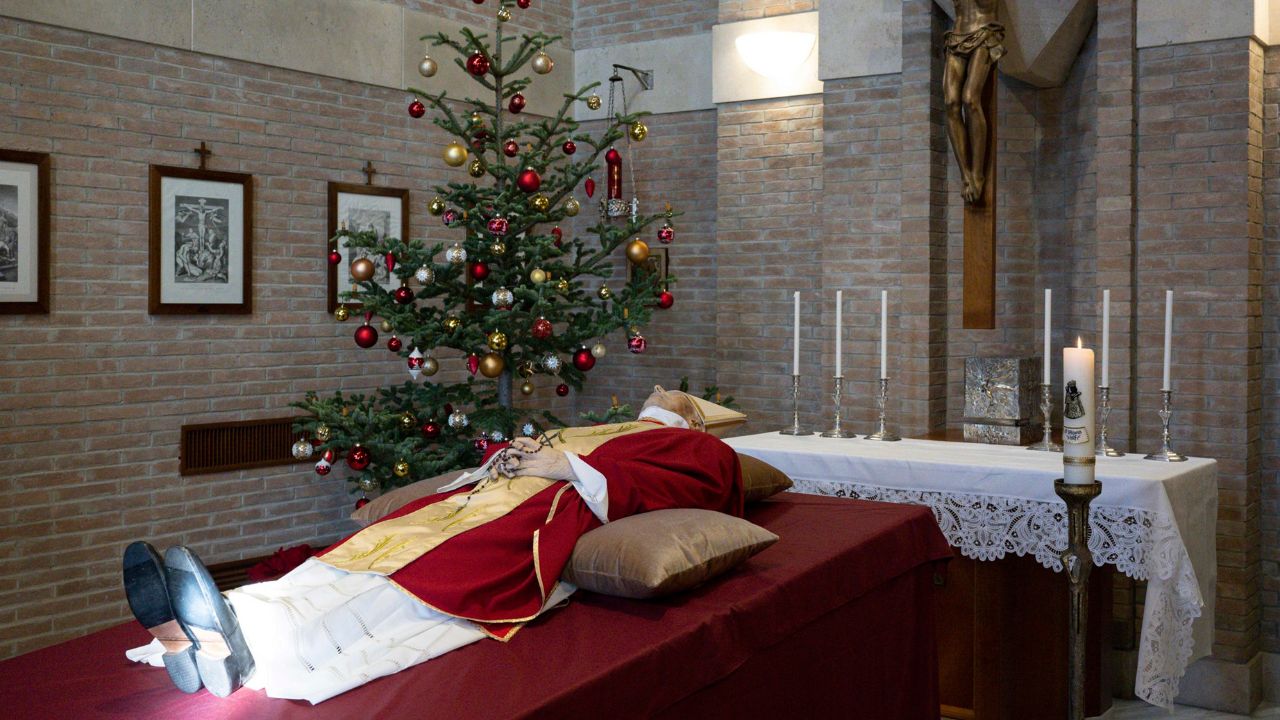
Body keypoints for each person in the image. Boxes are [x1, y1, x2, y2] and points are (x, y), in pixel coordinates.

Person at [123, 387, 742, 703]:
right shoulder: (603, 424)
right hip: (485, 497)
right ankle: (210, 621)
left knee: (421, 573)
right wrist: (510, 459)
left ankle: (258, 643)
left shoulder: (700, 447)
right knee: (370, 545)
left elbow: (691, 488)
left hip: (540, 512)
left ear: (687, 414)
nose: (656, 392)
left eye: (669, 396)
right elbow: (541, 455)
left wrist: (567, 469)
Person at [942, 0, 1005, 204]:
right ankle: (966, 175)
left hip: (985, 32)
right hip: (957, 37)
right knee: (951, 103)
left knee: (970, 99)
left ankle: (978, 174)